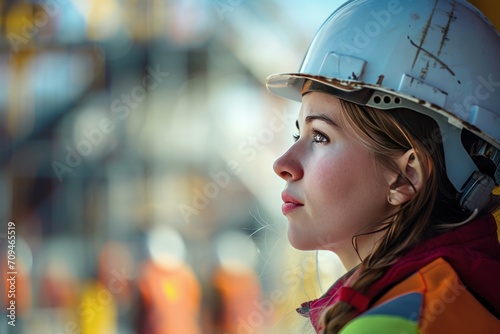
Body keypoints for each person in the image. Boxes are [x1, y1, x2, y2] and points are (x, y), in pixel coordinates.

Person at [266, 0, 500, 333]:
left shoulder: (392, 322)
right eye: (297, 133)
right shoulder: (459, 295)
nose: (283, 164)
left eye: (320, 137)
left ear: (406, 176)